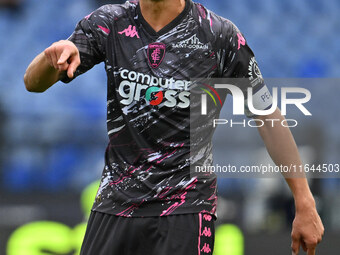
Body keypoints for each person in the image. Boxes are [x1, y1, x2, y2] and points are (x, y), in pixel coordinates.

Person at [24, 0, 324, 254]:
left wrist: (304, 201)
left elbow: (268, 119)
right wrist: (50, 60)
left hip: (185, 208)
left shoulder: (219, 36)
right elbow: (32, 83)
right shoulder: (109, 23)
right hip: (115, 204)